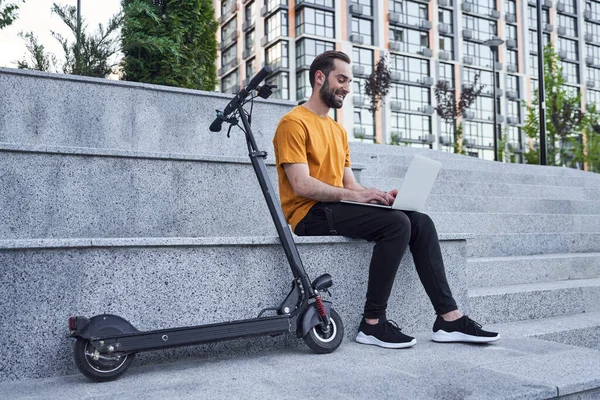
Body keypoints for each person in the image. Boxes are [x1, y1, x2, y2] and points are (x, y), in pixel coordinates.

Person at [272, 50, 499, 349]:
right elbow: (301, 185)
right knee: (396, 225)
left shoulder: (338, 131)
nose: (346, 88)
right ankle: (372, 324)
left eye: (349, 81)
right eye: (341, 79)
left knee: (419, 222)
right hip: (308, 214)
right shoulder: (293, 123)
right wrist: (357, 196)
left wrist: (377, 196)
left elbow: (350, 183)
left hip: (335, 207)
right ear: (319, 78)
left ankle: (449, 318)